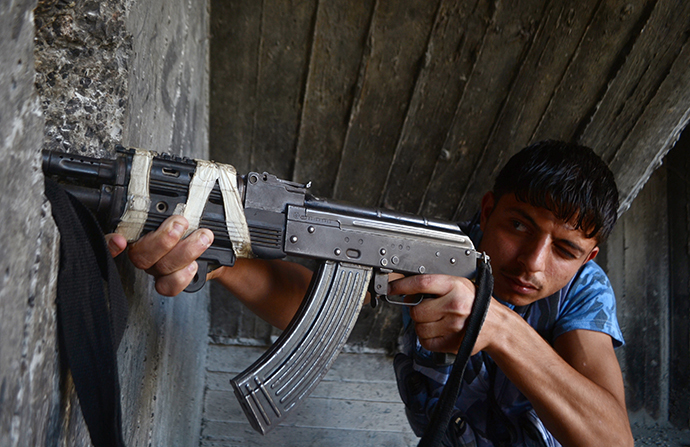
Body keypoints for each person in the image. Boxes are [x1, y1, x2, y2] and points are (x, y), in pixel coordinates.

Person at [105, 140, 634, 446]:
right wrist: (216, 261)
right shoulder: (442, 252)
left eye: (563, 249)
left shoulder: (582, 293)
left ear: (587, 258)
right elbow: (312, 302)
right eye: (519, 226)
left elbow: (613, 440)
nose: (533, 263)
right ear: (489, 208)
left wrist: (498, 328)